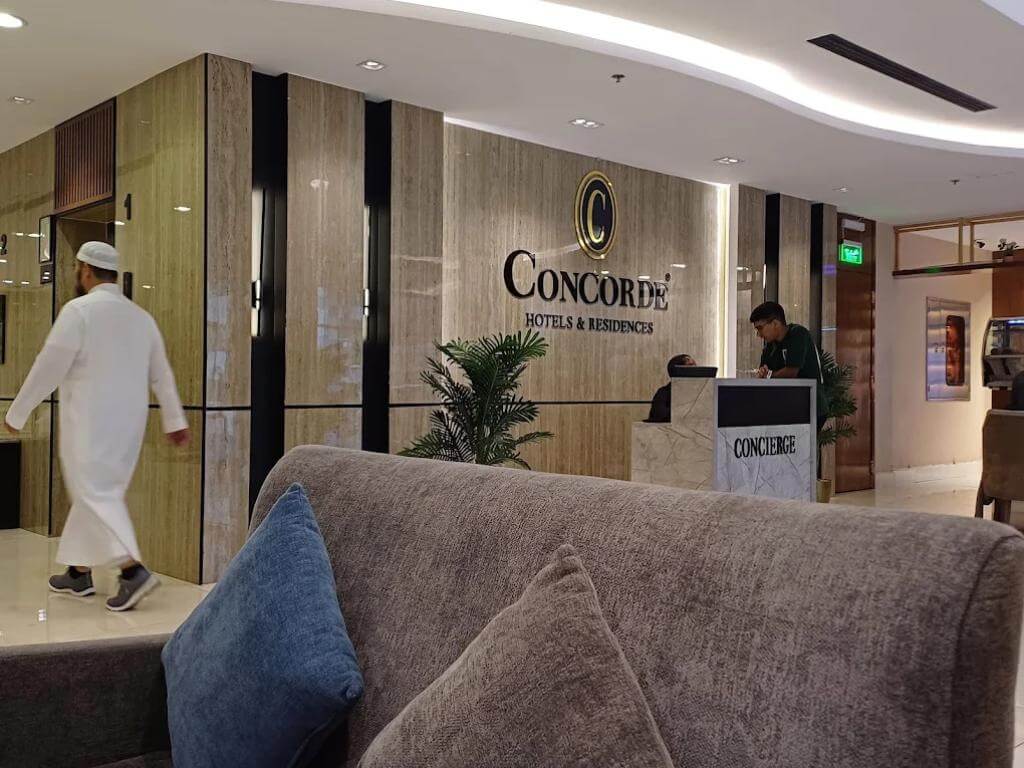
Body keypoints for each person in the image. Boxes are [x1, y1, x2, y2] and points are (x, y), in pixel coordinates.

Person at [4, 242, 189, 612]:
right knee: (99, 491)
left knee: (94, 493)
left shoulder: (79, 311)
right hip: (129, 425)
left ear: (85, 270)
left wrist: (17, 413)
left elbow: (48, 366)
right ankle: (78, 572)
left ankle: (132, 570)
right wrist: (174, 420)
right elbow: (162, 374)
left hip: (90, 423)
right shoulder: (141, 318)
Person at [749, 301, 828, 431]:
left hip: (811, 407)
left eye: (760, 328)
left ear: (775, 323)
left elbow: (791, 372)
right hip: (788, 407)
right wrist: (764, 373)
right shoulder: (770, 346)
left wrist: (769, 375)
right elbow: (764, 373)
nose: (759, 334)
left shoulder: (798, 334)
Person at [646, 354, 696, 423]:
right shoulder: (663, 392)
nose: (693, 362)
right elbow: (659, 414)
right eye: (690, 365)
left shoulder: (703, 392)